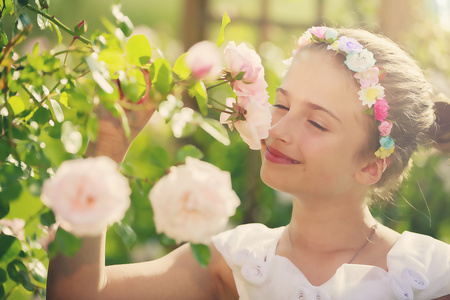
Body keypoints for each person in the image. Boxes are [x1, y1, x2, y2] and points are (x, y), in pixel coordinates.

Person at [46, 26, 450, 300]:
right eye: (281, 104)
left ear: (371, 166)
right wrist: (107, 150)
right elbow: (79, 294)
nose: (278, 130)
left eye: (315, 122)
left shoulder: (429, 275)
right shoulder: (238, 260)